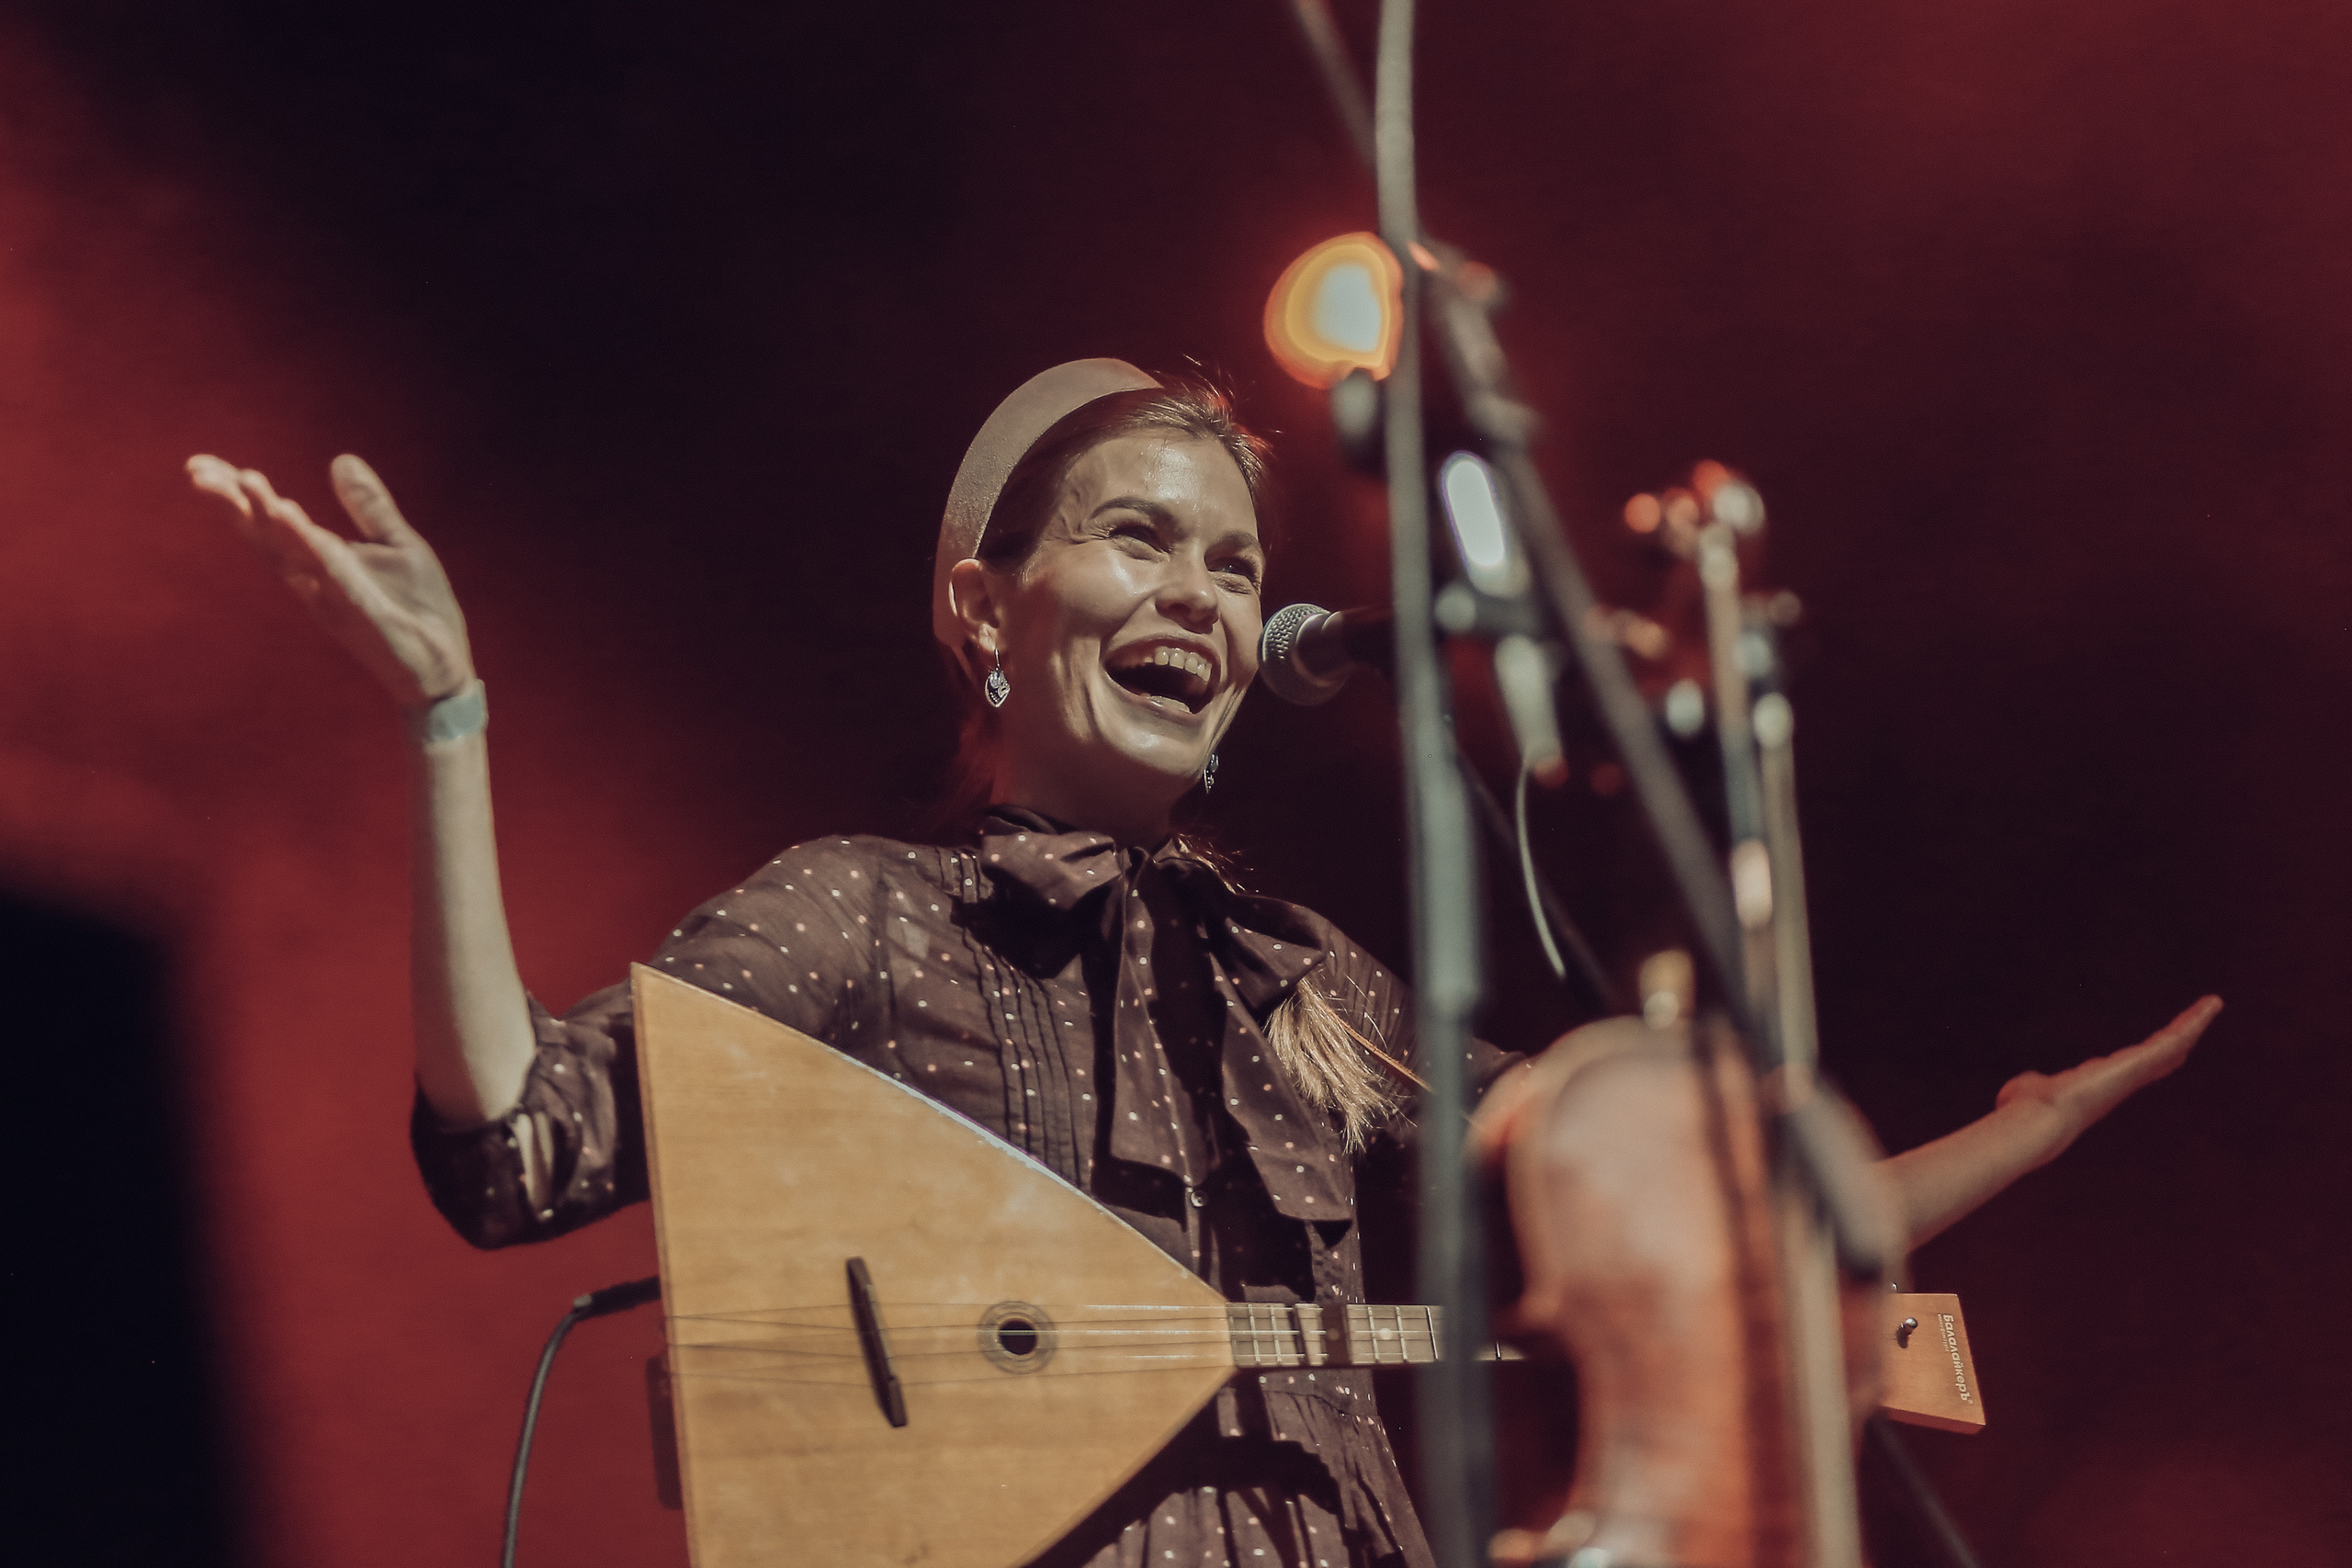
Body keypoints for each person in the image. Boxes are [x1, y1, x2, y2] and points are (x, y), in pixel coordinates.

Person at [188, 360, 2220, 1568]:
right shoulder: (861, 914)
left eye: (1235, 563)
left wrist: (2007, 1136)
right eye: (1142, 540)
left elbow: (1658, 1203)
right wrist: (451, 726)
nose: (1205, 594)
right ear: (988, 608)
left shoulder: (1299, 981)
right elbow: (516, 1144)